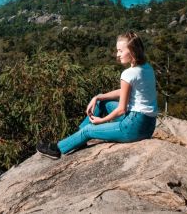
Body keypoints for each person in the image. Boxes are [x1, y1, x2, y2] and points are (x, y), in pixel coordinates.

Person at [37, 31, 158, 159]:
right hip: (148, 125)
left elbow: (121, 109)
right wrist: (99, 96)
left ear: (132, 51)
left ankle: (58, 149)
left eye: (121, 51)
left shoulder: (128, 73)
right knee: (101, 103)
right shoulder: (147, 68)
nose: (118, 55)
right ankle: (79, 139)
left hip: (133, 127)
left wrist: (102, 120)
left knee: (89, 130)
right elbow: (125, 91)